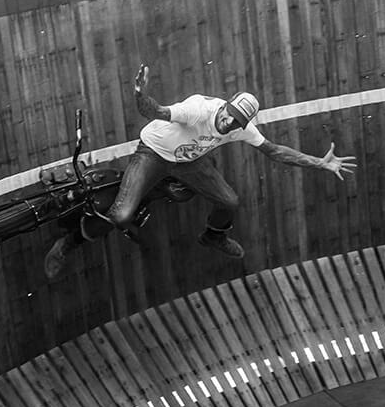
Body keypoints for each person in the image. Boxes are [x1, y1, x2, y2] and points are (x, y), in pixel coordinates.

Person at [43, 64, 355, 279]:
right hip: (153, 152)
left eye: (237, 123)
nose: (229, 124)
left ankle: (214, 235)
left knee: (230, 202)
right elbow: (157, 112)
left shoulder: (242, 128)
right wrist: (140, 95)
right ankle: (67, 244)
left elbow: (274, 151)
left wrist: (319, 162)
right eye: (229, 117)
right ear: (225, 106)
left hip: (189, 162)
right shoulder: (199, 109)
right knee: (122, 215)